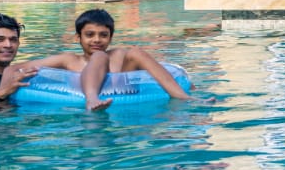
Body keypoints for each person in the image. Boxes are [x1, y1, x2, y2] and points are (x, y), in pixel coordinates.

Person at [28, 8, 189, 111]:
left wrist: (182, 84)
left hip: (126, 108)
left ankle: (181, 96)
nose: (97, 40)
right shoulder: (69, 60)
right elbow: (16, 68)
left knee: (135, 52)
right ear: (78, 37)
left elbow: (157, 69)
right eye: (90, 35)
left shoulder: (119, 55)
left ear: (110, 38)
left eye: (103, 35)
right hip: (85, 111)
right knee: (99, 56)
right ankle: (91, 99)